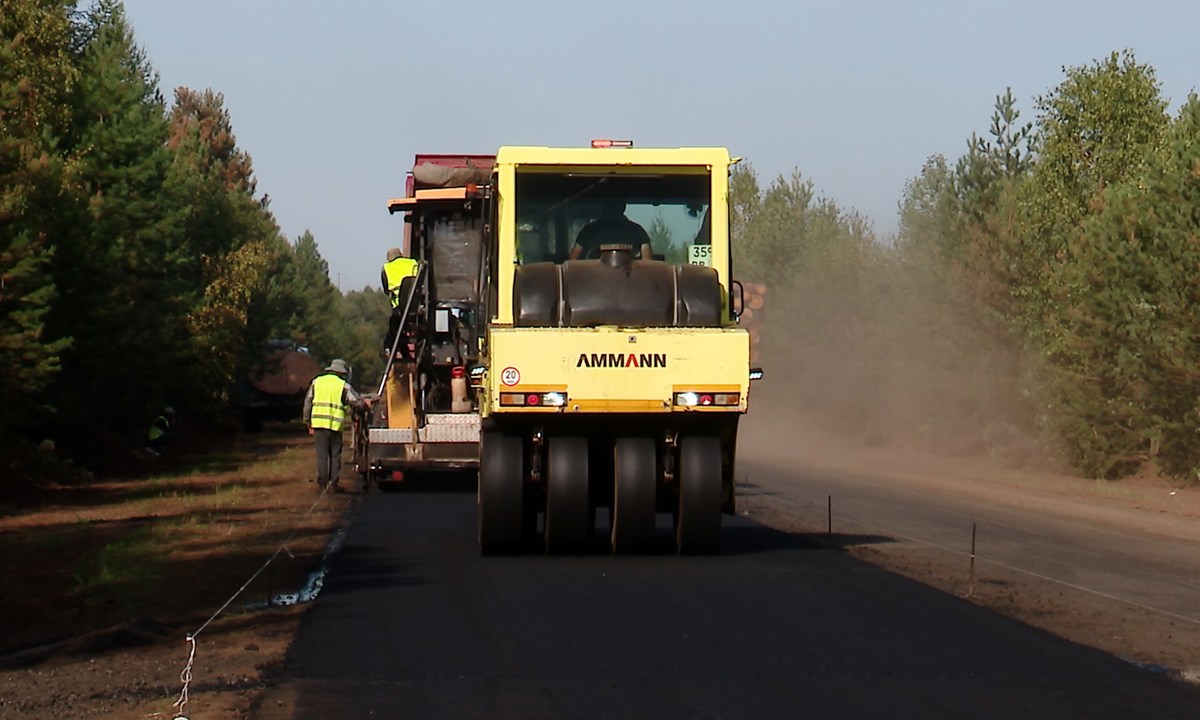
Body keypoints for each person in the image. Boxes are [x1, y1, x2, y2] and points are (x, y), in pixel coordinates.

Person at [303, 359, 369, 492]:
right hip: (334, 425)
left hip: (319, 424)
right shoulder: (343, 385)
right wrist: (364, 404)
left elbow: (308, 403)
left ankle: (322, 484)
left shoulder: (317, 382)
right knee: (335, 455)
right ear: (342, 373)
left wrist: (307, 422)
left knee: (322, 455)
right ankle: (333, 484)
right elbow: (355, 401)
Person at [569, 199, 653, 261]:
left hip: (591, 282)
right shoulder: (638, 232)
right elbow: (647, 264)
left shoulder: (588, 231)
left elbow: (573, 261)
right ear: (623, 207)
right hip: (631, 282)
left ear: (603, 208)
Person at [381, 247, 419, 357]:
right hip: (416, 305)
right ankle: (403, 350)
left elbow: (386, 290)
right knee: (397, 327)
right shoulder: (413, 263)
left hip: (399, 308)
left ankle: (389, 348)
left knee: (394, 327)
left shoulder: (387, 268)